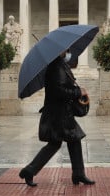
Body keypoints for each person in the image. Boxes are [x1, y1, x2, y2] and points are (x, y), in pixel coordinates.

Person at [19, 49, 95, 187]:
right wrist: (78, 91)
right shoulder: (55, 67)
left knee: (71, 140)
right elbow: (58, 91)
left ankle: (78, 173)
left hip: (61, 113)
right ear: (60, 51)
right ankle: (30, 171)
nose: (68, 51)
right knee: (60, 142)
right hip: (58, 114)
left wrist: (76, 89)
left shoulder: (60, 65)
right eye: (66, 49)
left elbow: (64, 86)